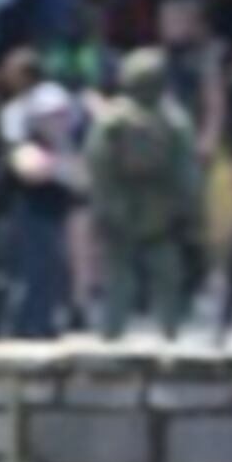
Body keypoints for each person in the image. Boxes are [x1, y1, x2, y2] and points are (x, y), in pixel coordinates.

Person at [86, 50, 203, 343]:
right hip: (161, 213)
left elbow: (97, 165)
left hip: (121, 209)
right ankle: (170, 333)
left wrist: (103, 207)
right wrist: (189, 210)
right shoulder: (175, 120)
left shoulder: (111, 119)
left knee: (119, 276)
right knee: (167, 277)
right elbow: (188, 171)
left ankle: (112, 335)